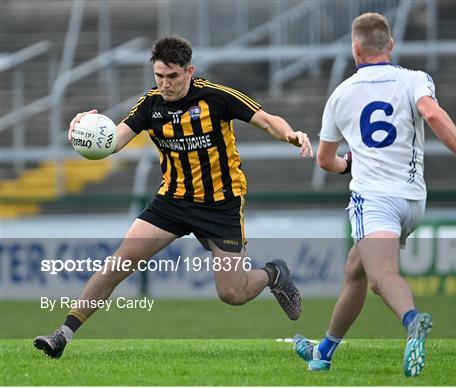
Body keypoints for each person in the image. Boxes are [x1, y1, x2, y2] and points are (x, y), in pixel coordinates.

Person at [34, 35, 313, 358]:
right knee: (118, 264)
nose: (165, 84)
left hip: (220, 203)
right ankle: (62, 335)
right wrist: (85, 130)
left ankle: (273, 273)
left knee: (232, 293)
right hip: (172, 201)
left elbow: (267, 121)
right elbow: (112, 143)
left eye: (172, 77)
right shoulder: (150, 105)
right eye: (159, 76)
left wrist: (291, 134)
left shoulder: (216, 97)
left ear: (189, 71)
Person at [293, 13, 456, 377]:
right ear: (390, 45)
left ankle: (412, 321)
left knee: (381, 277)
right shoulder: (415, 79)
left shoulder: (341, 94)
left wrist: (349, 165)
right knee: (356, 270)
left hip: (373, 200)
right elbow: (433, 115)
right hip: (412, 199)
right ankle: (324, 350)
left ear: (355, 49)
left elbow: (326, 160)